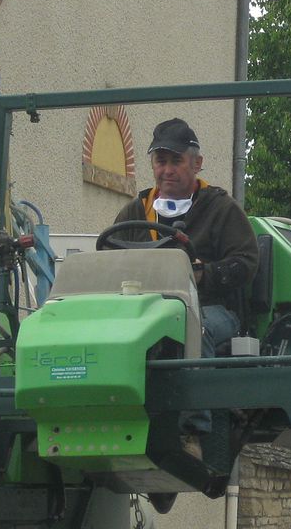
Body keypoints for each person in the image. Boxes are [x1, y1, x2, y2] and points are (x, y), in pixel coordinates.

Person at [110, 117, 259, 360]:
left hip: (210, 308)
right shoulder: (134, 212)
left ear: (197, 163)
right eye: (160, 161)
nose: (167, 170)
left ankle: (196, 393)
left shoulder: (221, 209)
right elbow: (109, 261)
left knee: (190, 329)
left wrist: (203, 273)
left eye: (176, 161)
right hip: (142, 308)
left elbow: (246, 263)